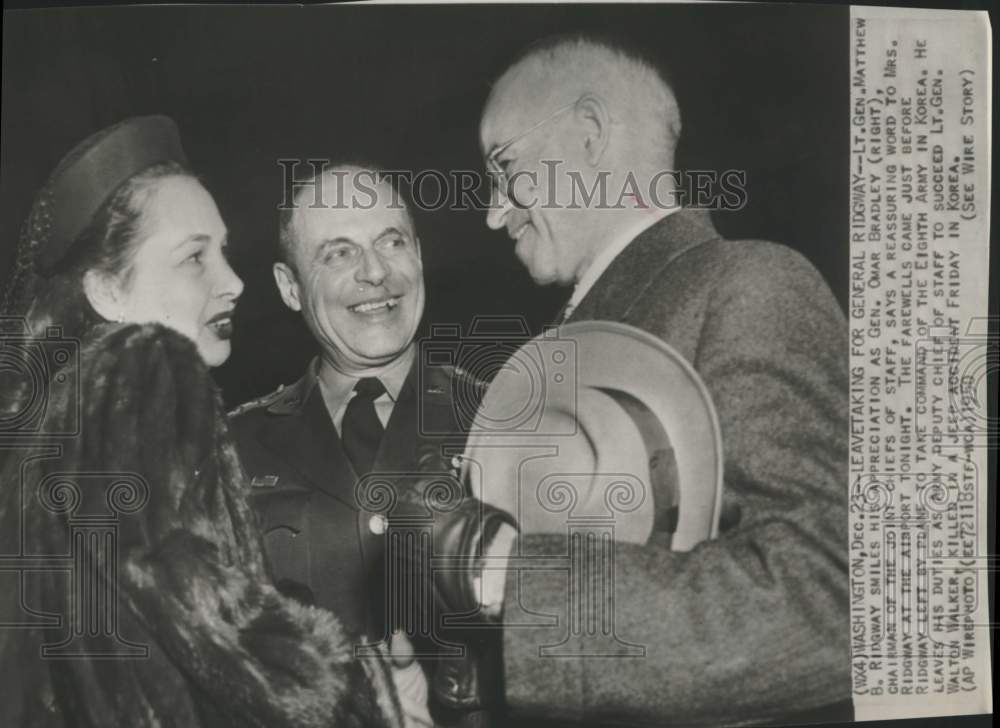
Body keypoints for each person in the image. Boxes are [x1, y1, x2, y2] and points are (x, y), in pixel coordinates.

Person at [419, 34, 852, 726]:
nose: (494, 211)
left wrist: (506, 574)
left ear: (590, 133)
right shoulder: (563, 340)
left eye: (504, 167)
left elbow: (827, 600)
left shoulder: (750, 283)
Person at [0, 117, 401, 728]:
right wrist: (355, 694)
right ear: (106, 290)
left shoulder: (64, 416)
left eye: (223, 252)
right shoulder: (140, 369)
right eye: (194, 258)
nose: (233, 282)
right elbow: (194, 611)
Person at [229, 164, 496, 728]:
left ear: (419, 255)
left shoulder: (502, 420)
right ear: (289, 286)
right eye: (339, 253)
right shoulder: (231, 449)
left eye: (391, 242)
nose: (375, 272)